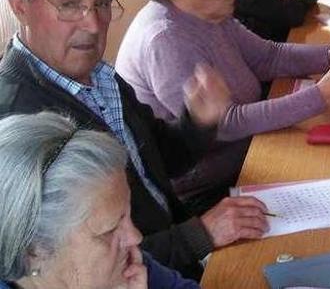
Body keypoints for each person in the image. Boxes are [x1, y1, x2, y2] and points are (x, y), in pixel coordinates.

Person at [1, 0, 270, 279]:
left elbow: (159, 162)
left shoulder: (99, 76)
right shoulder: (17, 120)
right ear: (20, 5)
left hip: (179, 255)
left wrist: (198, 121)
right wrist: (198, 235)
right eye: (69, 4)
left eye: (101, 3)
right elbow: (81, 266)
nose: (93, 23)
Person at [116, 0, 330, 212]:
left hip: (251, 147)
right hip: (211, 179)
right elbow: (225, 125)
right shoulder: (165, 39)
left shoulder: (209, 11)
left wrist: (329, 55)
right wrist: (319, 96)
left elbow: (267, 57)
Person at [0, 112, 199, 289]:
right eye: (109, 230)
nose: (136, 237)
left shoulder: (125, 258)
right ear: (34, 252)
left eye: (128, 214)